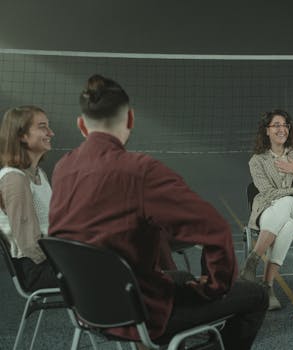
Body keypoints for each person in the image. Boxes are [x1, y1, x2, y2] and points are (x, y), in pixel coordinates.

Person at [48, 74, 268, 349]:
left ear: (81, 125)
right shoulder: (141, 171)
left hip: (88, 309)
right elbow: (215, 230)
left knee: (183, 278)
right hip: (139, 312)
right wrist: (214, 287)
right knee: (256, 296)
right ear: (130, 119)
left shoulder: (62, 168)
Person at [240, 109, 293, 310]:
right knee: (286, 225)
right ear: (266, 131)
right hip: (271, 210)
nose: (281, 129)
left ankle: (252, 261)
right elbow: (268, 194)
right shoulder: (257, 161)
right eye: (276, 125)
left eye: (285, 125)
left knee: (286, 203)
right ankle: (267, 287)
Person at [0, 106, 57, 291]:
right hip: (35, 268)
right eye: (42, 127)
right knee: (106, 271)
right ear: (22, 136)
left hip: (51, 258)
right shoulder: (14, 179)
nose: (51, 132)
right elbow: (29, 245)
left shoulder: (39, 174)